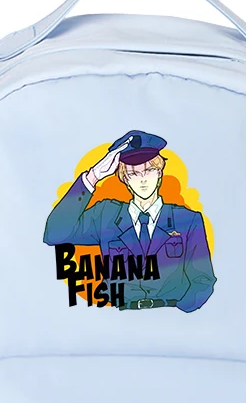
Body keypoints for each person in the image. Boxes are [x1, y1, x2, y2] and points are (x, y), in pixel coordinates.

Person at [44, 130, 216, 312]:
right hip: (117, 317)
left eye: (149, 170)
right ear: (124, 178)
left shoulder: (187, 220)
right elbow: (54, 233)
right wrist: (93, 176)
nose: (143, 180)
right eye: (133, 173)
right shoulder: (105, 215)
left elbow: (203, 280)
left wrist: (177, 312)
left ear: (159, 173)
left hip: (170, 315)